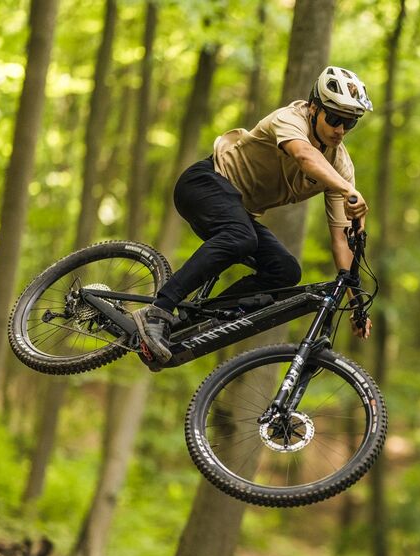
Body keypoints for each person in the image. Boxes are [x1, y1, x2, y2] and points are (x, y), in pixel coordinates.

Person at [132, 66, 375, 362]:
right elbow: (303, 155)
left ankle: (190, 323)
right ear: (314, 108)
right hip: (205, 182)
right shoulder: (291, 118)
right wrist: (347, 189)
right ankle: (158, 309)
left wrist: (356, 302)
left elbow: (341, 241)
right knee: (241, 236)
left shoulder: (341, 166)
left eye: (349, 123)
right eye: (334, 118)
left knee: (285, 271)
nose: (340, 130)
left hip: (238, 211)